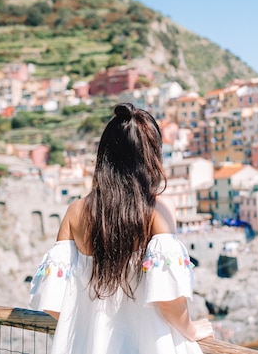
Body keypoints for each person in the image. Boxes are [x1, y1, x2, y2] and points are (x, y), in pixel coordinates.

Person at [30, 103, 214, 353]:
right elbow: (168, 297)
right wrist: (190, 329)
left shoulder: (75, 212)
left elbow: (52, 301)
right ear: (151, 155)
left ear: (104, 155)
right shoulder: (158, 210)